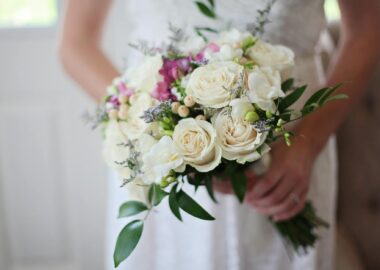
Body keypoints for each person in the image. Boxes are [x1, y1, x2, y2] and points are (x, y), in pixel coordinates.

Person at [59, 0, 380, 269]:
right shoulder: (160, 137)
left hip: (293, 149)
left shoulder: (301, 149)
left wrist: (306, 145)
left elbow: (367, 28)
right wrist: (157, 131)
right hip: (163, 161)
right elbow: (76, 44)